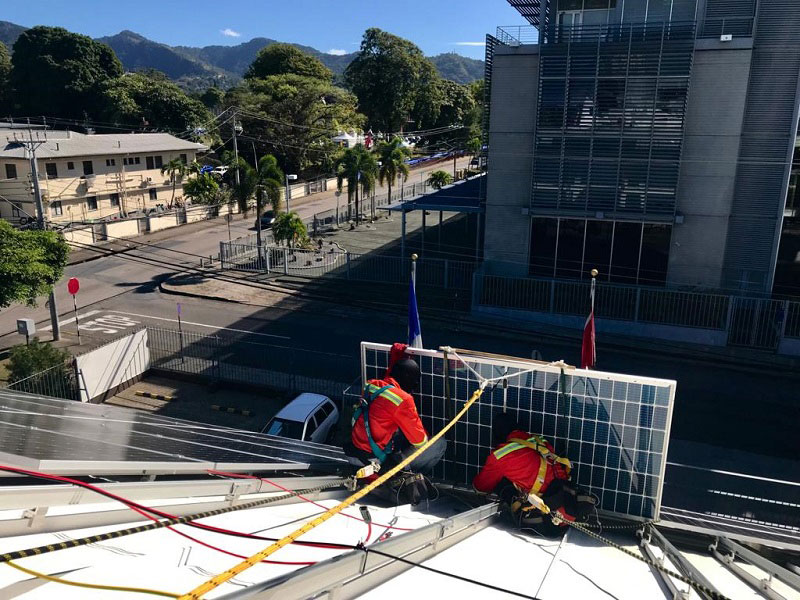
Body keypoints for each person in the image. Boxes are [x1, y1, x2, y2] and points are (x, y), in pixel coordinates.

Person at [473, 412, 595, 537]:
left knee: (500, 483)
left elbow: (481, 487)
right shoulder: (539, 440)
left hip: (546, 517)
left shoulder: (499, 456)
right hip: (567, 499)